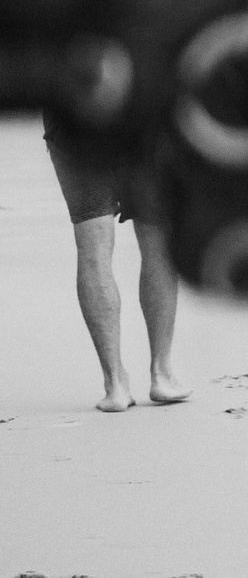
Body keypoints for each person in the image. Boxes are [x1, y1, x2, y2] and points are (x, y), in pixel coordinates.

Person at [41, 108, 185, 412]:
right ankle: (162, 374)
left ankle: (115, 384)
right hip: (140, 118)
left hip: (74, 120)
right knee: (156, 242)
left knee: (93, 250)